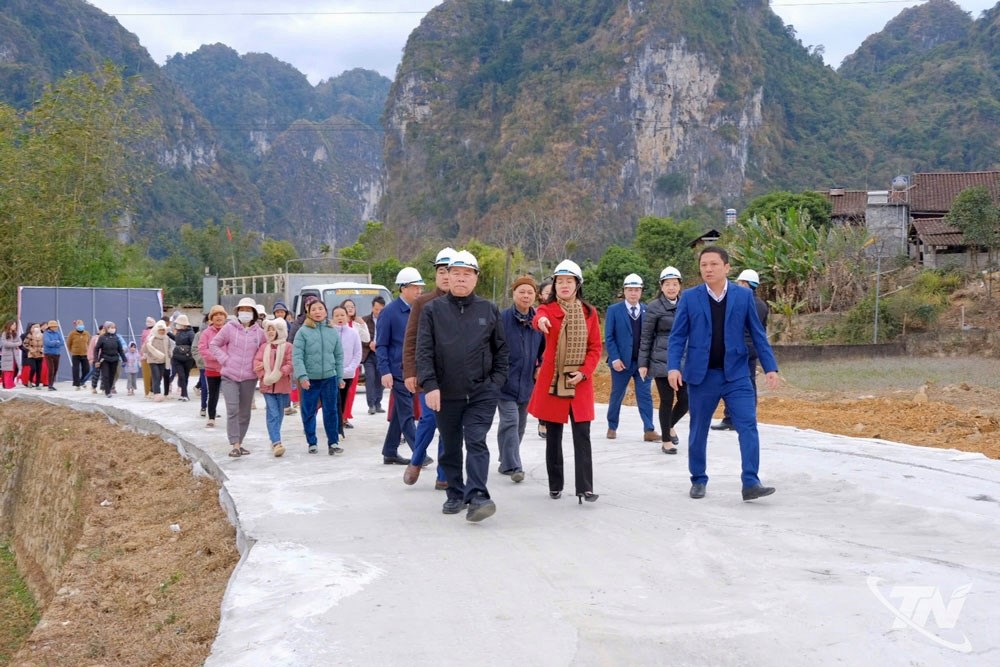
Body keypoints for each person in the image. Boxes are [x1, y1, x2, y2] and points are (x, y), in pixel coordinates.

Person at [667, 246, 780, 501]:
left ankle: (750, 481)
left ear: (727, 268)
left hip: (737, 374)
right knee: (699, 428)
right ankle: (698, 479)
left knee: (748, 425)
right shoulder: (690, 297)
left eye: (714, 264)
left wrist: (770, 367)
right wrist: (674, 366)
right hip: (702, 375)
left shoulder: (743, 296)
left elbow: (757, 333)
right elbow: (678, 336)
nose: (708, 269)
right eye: (704, 264)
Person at [417, 250, 508, 522]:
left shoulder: (488, 309)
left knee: (476, 441)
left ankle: (478, 495)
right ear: (446, 276)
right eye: (455, 273)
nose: (460, 279)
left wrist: (495, 384)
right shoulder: (432, 310)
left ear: (476, 279)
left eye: (467, 274)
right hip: (445, 393)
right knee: (451, 445)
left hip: (481, 392)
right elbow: (424, 351)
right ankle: (455, 493)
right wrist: (430, 385)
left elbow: (501, 352)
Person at [528, 260, 603, 504]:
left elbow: (595, 347)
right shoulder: (547, 310)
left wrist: (585, 371)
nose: (564, 285)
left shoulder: (589, 312)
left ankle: (585, 488)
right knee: (554, 436)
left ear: (577, 284)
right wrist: (539, 322)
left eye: (569, 281)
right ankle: (555, 484)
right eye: (559, 281)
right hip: (554, 381)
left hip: (579, 382)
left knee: (582, 435)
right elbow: (537, 317)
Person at [401, 247, 454, 487]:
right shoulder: (423, 303)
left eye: (450, 271)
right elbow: (410, 339)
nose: (445, 276)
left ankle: (443, 475)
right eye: (441, 271)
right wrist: (410, 372)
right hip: (428, 373)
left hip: (455, 375)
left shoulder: (464, 302)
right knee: (429, 419)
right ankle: (417, 458)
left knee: (449, 425)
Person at [496, 276, 544, 482]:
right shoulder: (502, 319)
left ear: (535, 296)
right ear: (513, 294)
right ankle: (514, 466)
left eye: (530, 292)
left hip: (527, 383)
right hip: (505, 382)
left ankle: (505, 459)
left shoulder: (538, 321)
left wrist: (540, 365)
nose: (526, 296)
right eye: (521, 291)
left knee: (520, 426)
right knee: (510, 421)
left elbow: (544, 349)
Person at [376, 267, 425, 466]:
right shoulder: (389, 312)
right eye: (415, 288)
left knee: (399, 413)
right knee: (407, 414)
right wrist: (385, 370)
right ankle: (419, 452)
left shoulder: (419, 311)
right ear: (403, 288)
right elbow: (381, 344)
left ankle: (390, 451)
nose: (419, 292)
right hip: (397, 371)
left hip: (413, 370)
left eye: (420, 288)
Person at [638, 266, 689, 454]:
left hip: (683, 359)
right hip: (661, 360)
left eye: (675, 284)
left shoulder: (686, 303)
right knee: (667, 400)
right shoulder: (654, 307)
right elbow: (646, 337)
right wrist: (643, 363)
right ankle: (666, 441)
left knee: (686, 400)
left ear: (680, 286)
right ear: (661, 286)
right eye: (667, 284)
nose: (671, 288)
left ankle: (669, 425)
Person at [712, 269, 770, 431]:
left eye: (739, 283)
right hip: (753, 349)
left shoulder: (740, 302)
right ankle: (747, 419)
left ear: (745, 284)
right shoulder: (763, 305)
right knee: (749, 383)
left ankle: (730, 419)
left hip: (737, 349)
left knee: (731, 383)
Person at [604, 273, 658, 441]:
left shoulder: (647, 310)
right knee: (617, 394)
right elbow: (610, 337)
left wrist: (648, 360)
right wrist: (615, 358)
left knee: (645, 396)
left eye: (637, 290)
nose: (633, 293)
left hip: (642, 363)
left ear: (641, 291)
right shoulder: (614, 310)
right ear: (624, 291)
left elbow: (651, 337)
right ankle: (612, 426)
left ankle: (649, 429)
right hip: (621, 363)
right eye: (630, 290)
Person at [211, 298, 268, 457]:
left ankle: (239, 442)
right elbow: (214, 344)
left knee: (244, 412)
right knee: (232, 408)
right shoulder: (229, 328)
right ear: (237, 312)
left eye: (248, 310)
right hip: (230, 375)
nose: (245, 312)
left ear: (254, 313)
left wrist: (261, 364)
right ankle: (234, 444)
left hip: (249, 378)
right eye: (242, 309)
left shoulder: (259, 333)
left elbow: (266, 349)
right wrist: (225, 360)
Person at [292, 298, 344, 455]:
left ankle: (333, 443)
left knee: (331, 411)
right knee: (308, 411)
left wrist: (340, 377)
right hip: (310, 380)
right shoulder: (303, 332)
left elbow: (339, 355)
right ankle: (312, 442)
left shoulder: (332, 331)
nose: (317, 312)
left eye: (320, 308)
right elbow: (297, 356)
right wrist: (302, 376)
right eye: (314, 309)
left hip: (329, 378)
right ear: (308, 312)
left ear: (326, 311)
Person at [254, 318, 293, 457]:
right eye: (268, 329)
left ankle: (274, 437)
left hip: (283, 385)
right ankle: (277, 442)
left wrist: (281, 372)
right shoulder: (264, 347)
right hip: (267, 386)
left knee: (280, 413)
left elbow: (290, 363)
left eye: (273, 329)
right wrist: (264, 374)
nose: (270, 332)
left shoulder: (288, 346)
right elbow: (257, 362)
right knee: (273, 413)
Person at [331, 305, 362, 440]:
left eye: (342, 315)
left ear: (347, 316)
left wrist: (350, 368)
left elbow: (357, 353)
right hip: (331, 374)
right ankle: (335, 428)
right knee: (333, 401)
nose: (339, 318)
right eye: (336, 315)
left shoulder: (353, 333)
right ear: (332, 318)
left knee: (342, 400)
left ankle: (339, 426)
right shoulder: (329, 332)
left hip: (348, 374)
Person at [338, 298, 370, 428]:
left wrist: (363, 324)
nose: (350, 308)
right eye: (347, 306)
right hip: (339, 364)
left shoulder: (357, 325)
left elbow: (367, 339)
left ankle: (345, 417)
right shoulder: (337, 324)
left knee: (350, 392)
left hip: (353, 364)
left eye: (352, 306)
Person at [198, 305, 228, 428]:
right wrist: (217, 356)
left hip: (228, 367)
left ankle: (234, 417)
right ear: (211, 318)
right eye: (215, 315)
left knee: (231, 394)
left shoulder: (229, 331)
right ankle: (211, 417)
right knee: (213, 393)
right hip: (212, 368)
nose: (218, 317)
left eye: (221, 314)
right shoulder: (206, 333)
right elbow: (202, 349)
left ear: (225, 317)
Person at [362, 296, 386, 415]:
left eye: (381, 310)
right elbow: (359, 337)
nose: (378, 312)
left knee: (381, 379)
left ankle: (378, 403)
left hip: (382, 353)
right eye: (376, 309)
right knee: (370, 378)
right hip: (369, 354)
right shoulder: (365, 320)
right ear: (372, 308)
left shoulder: (387, 319)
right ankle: (371, 404)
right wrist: (369, 343)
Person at [536, 279, 553, 440]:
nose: (550, 295)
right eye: (547, 292)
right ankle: (542, 422)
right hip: (540, 360)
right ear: (540, 295)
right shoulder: (539, 313)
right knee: (543, 394)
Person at [93, 321, 127, 398]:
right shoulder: (102, 338)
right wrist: (96, 360)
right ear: (106, 328)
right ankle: (107, 391)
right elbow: (96, 349)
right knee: (105, 375)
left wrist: (124, 359)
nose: (112, 329)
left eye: (114, 327)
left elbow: (120, 350)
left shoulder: (116, 338)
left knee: (112, 376)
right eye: (110, 327)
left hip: (114, 359)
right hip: (104, 359)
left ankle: (109, 387)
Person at [143, 320, 174, 401]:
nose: (161, 331)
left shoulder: (166, 338)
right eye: (160, 330)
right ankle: (157, 394)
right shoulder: (151, 338)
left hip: (163, 360)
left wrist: (170, 354)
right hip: (153, 360)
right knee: (156, 376)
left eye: (163, 330)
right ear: (156, 330)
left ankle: (154, 392)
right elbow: (145, 349)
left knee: (159, 377)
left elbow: (169, 348)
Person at [171, 314, 196, 401]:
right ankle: (184, 394)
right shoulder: (178, 332)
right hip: (177, 357)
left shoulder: (191, 333)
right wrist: (168, 333)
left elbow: (194, 344)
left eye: (178, 323)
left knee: (185, 375)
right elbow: (176, 340)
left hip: (187, 358)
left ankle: (184, 394)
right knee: (181, 375)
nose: (177, 325)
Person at [192, 315, 209, 415]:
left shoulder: (220, 333)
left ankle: (212, 409)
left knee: (214, 390)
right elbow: (194, 349)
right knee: (205, 387)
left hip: (216, 366)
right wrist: (201, 360)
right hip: (204, 365)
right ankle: (203, 407)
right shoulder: (199, 334)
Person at [67, 320, 90, 390]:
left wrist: (87, 350)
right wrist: (72, 350)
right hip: (76, 354)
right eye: (79, 324)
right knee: (76, 369)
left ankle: (82, 381)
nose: (80, 326)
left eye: (82, 324)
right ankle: (77, 384)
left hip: (85, 354)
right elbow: (69, 343)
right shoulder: (72, 334)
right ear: (76, 326)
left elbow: (88, 342)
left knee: (86, 369)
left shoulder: (86, 333)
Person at [42, 320, 64, 390]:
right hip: (48, 354)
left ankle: (51, 383)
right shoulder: (46, 334)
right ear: (50, 327)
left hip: (57, 354)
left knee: (56, 369)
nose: (55, 328)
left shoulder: (58, 333)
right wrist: (56, 342)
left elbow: (62, 342)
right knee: (51, 369)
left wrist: (54, 343)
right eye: (54, 327)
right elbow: (47, 343)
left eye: (56, 327)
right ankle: (50, 385)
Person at [1, 321, 21, 390]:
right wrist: (15, 344)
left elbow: (20, 342)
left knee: (14, 369)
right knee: (7, 371)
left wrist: (13, 344)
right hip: (7, 356)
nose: (15, 326)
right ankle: (8, 385)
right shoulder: (4, 334)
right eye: (14, 325)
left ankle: (10, 384)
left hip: (15, 355)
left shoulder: (15, 334)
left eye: (15, 325)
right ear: (10, 325)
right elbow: (5, 344)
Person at [24, 324, 44, 388]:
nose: (36, 328)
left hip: (40, 354)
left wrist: (42, 349)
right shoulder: (30, 335)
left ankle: (37, 384)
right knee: (33, 368)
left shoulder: (42, 335)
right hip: (32, 354)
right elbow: (25, 343)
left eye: (37, 327)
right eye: (35, 327)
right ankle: (30, 380)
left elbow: (45, 344)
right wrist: (31, 349)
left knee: (39, 369)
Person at [140, 316, 155, 396]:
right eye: (147, 321)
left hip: (153, 355)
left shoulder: (155, 331)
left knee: (153, 374)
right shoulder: (144, 331)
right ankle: (147, 392)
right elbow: (142, 343)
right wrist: (142, 354)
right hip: (145, 355)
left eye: (150, 321)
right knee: (146, 374)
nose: (148, 323)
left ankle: (152, 391)